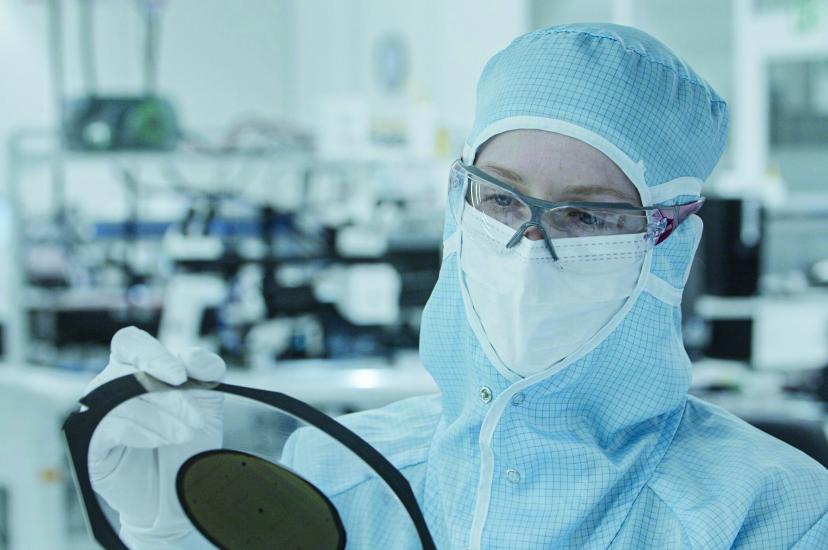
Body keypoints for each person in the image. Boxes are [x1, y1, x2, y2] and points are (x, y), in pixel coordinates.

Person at [84, 23, 828, 548]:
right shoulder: (345, 473)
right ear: (456, 204)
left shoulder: (771, 516)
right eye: (501, 199)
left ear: (668, 244)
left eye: (586, 214)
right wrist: (170, 534)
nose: (529, 244)